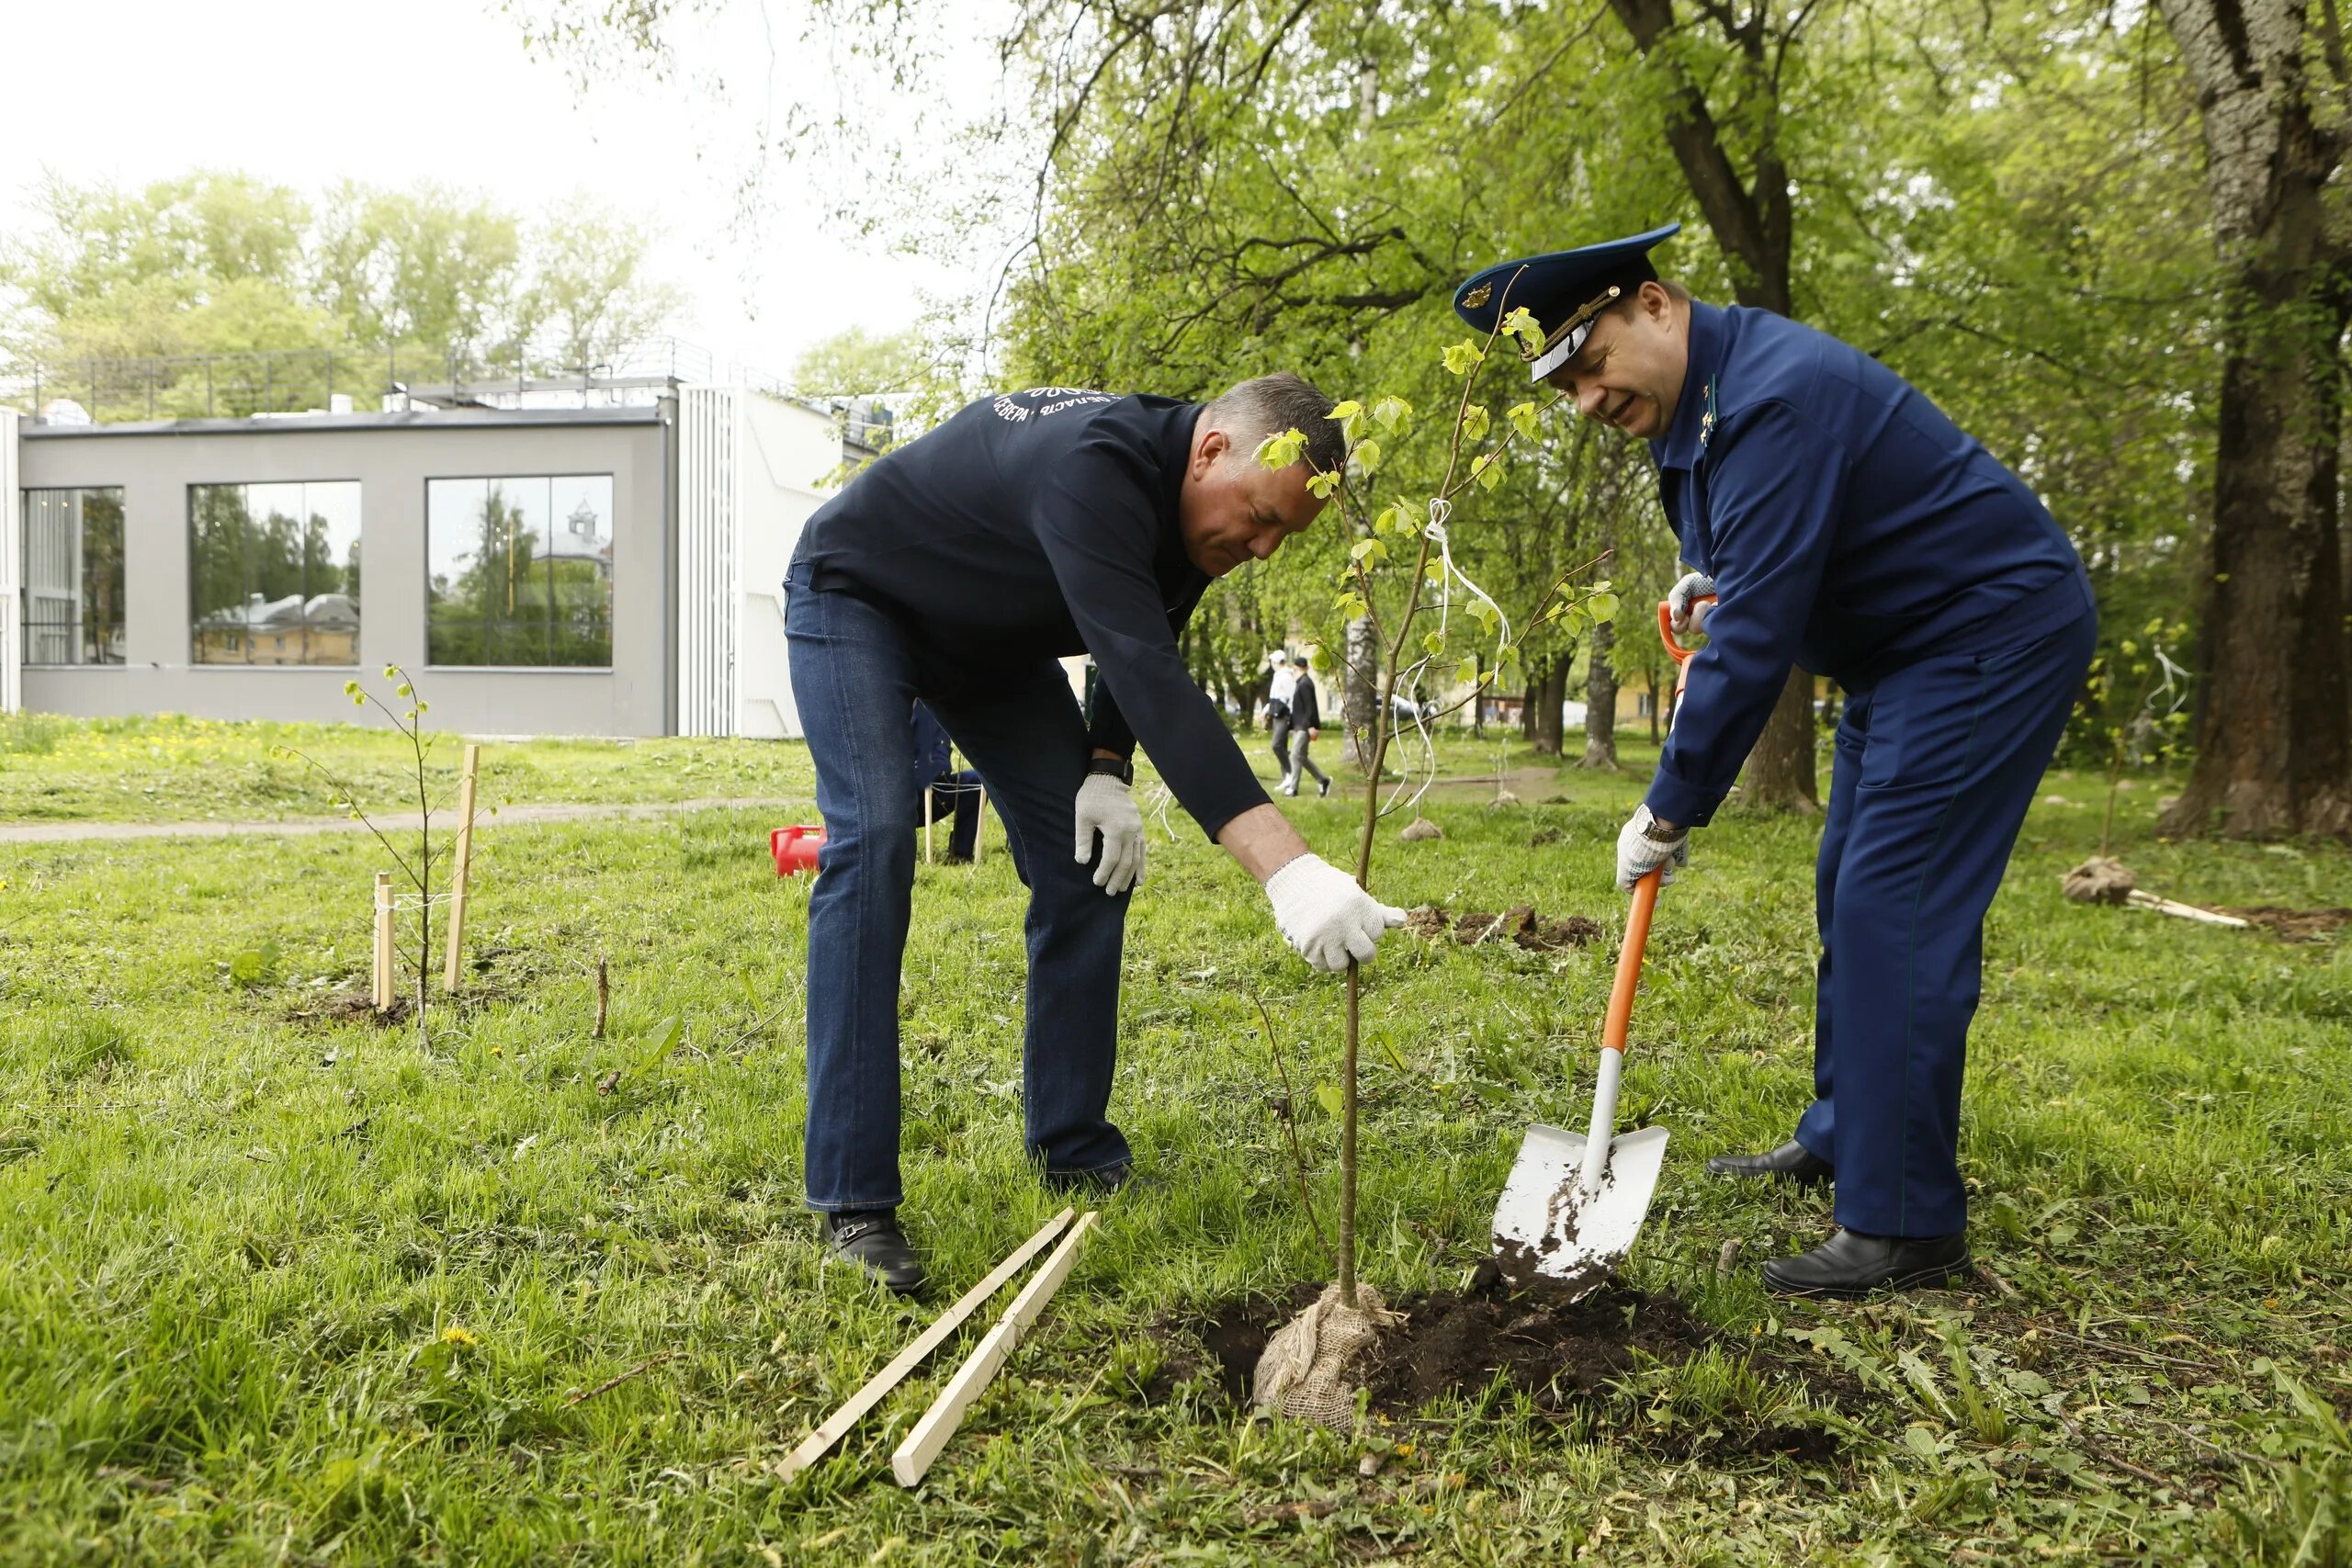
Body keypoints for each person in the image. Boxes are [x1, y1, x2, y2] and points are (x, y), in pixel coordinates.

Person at [1453, 225, 2096, 1298]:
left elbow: (1753, 648)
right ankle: (1852, 1134)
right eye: (1562, 384)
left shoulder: (1769, 398)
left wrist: (1668, 807)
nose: (1585, 401)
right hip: (1900, 650)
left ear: (1654, 305)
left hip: (1985, 635)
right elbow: (1762, 564)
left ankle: (1904, 1227)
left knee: (1897, 901)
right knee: (1850, 884)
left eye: (1592, 363)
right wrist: (1712, 579)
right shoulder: (1705, 398)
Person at [786, 375, 1408, 1292]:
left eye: (1286, 535)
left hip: (991, 652)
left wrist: (1105, 768)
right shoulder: (1095, 469)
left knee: (1087, 863)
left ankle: (1071, 1145)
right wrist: (1289, 871)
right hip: (860, 602)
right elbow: (1153, 675)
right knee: (876, 839)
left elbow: (1146, 630)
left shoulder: (1198, 515)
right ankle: (854, 1200)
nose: (1265, 548)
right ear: (1212, 451)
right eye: (1264, 517)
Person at [911, 701, 989, 863]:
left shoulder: (927, 711)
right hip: (888, 798)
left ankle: (960, 854)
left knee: (976, 780)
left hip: (929, 794)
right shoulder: (883, 707)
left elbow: (941, 762)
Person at [1283, 660, 1330, 797]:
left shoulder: (1304, 684)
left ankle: (1293, 788)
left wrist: (1311, 726)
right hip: (1300, 726)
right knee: (1301, 757)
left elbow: (1310, 707)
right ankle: (1323, 780)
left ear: (1296, 668)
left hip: (1304, 726)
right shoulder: (1302, 683)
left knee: (1295, 755)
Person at [1265, 649, 1297, 779]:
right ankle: (1286, 777)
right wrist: (1265, 710)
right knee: (1282, 745)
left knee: (1276, 744)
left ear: (1276, 662)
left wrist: (1292, 717)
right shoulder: (1278, 676)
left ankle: (1290, 773)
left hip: (1284, 715)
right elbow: (1275, 697)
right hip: (1276, 714)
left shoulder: (1286, 677)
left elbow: (1292, 697)